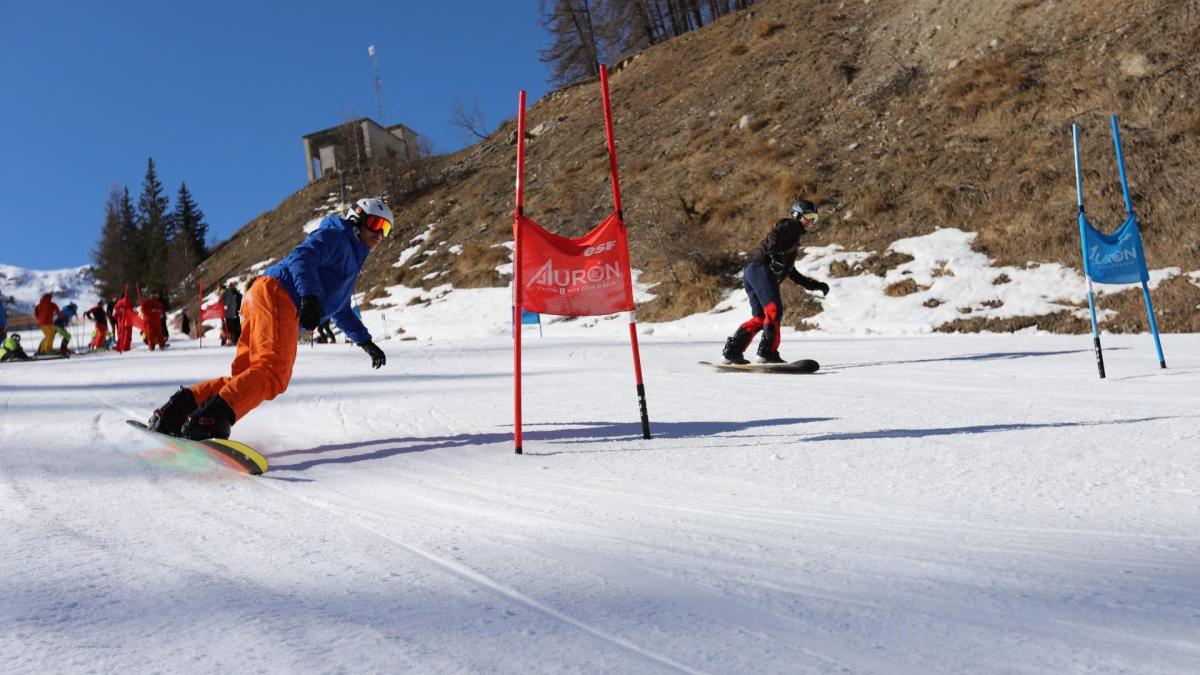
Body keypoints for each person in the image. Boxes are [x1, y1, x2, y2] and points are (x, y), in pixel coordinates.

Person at [147, 197, 393, 441]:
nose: (379, 234)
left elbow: (340, 308)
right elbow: (301, 257)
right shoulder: (337, 237)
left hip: (261, 297)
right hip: (279, 294)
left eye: (386, 228)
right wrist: (309, 296)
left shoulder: (351, 259)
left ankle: (177, 412)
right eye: (374, 223)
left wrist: (365, 341)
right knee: (273, 372)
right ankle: (208, 420)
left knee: (247, 377)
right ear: (356, 218)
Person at [721, 200, 830, 364]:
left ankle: (732, 352)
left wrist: (812, 285)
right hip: (760, 270)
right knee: (774, 310)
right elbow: (774, 235)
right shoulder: (791, 226)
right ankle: (767, 352)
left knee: (759, 318)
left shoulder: (791, 241)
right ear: (797, 215)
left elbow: (790, 271)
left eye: (814, 218)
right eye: (808, 216)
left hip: (751, 272)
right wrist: (774, 254)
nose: (810, 222)